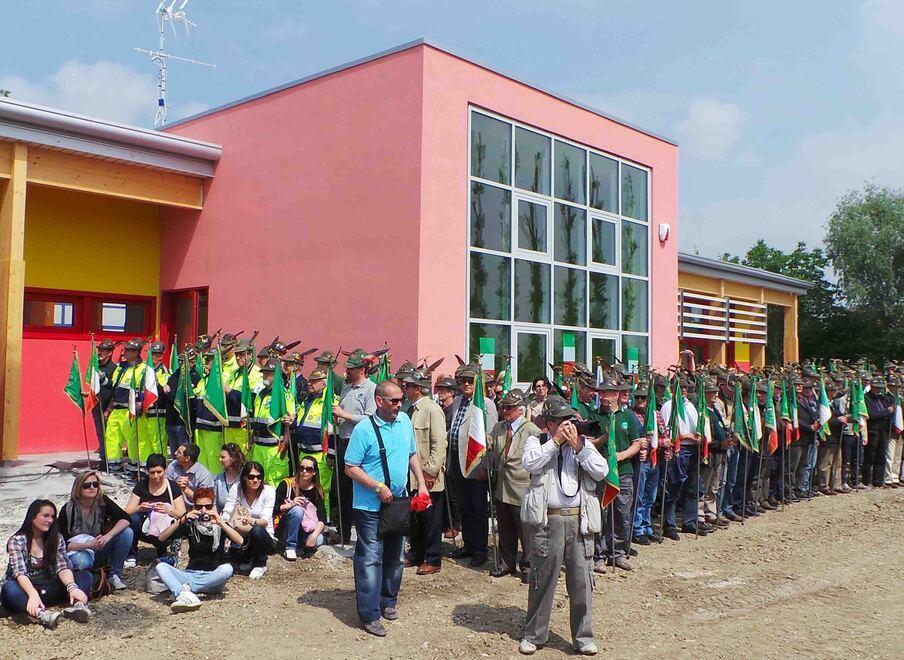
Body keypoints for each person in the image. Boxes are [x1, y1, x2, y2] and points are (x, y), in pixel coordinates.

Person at [519, 396, 607, 656]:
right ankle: (534, 634)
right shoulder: (538, 441)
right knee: (542, 580)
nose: (568, 426)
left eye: (571, 421)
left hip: (579, 521)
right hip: (549, 520)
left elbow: (601, 471)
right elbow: (530, 463)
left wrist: (579, 447)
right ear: (549, 423)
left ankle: (583, 637)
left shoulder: (582, 445)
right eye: (563, 421)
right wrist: (555, 443)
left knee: (582, 581)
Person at [344, 380, 431, 637]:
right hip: (370, 506)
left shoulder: (404, 421)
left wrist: (422, 484)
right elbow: (350, 467)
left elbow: (411, 454)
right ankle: (370, 615)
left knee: (395, 556)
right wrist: (376, 487)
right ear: (379, 401)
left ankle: (388, 600)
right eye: (394, 400)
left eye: (400, 399)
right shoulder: (363, 430)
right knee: (370, 558)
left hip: (399, 502)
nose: (399, 404)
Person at [2, 500, 93, 628]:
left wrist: (72, 587)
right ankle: (41, 614)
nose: (50, 520)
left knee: (84, 576)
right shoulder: (17, 540)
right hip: (27, 589)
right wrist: (32, 594)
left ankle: (78, 606)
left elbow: (63, 566)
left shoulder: (56, 538)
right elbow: (19, 572)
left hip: (50, 585)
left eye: (52, 517)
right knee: (9, 589)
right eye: (45, 516)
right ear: (33, 517)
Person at [155, 487, 241, 613]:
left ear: (213, 506)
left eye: (208, 506)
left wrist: (221, 523)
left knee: (227, 569)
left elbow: (239, 540)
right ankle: (184, 593)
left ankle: (186, 591)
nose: (204, 511)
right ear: (194, 507)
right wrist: (182, 520)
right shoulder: (190, 525)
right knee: (161, 566)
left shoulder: (219, 524)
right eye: (199, 507)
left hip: (213, 577)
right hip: (191, 573)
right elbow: (162, 538)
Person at [447, 363, 498, 567]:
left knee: (478, 509)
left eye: (470, 381)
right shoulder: (457, 401)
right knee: (464, 506)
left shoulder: (486, 404)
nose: (466, 384)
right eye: (463, 381)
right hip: (457, 461)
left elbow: (491, 438)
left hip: (476, 463)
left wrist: (486, 466)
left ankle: (480, 549)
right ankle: (468, 544)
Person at [487, 388, 540, 582]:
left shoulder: (531, 430)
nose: (505, 410)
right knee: (505, 528)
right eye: (504, 407)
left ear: (520, 409)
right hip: (502, 487)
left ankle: (528, 566)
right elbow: (489, 443)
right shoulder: (500, 427)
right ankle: (506, 562)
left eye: (510, 408)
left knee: (525, 530)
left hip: (522, 487)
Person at [403, 368, 448, 575]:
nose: (405, 388)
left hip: (428, 476)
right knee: (416, 518)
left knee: (431, 519)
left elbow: (439, 443)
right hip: (413, 475)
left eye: (409, 386)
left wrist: (430, 471)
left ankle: (433, 558)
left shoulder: (432, 409)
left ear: (419, 389)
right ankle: (416, 554)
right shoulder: (410, 409)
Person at [331, 349, 377, 544]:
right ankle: (342, 531)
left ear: (361, 369)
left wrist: (344, 415)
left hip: (359, 444)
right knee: (341, 488)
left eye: (351, 368)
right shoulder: (346, 388)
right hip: (342, 441)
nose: (347, 371)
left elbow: (370, 418)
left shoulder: (371, 389)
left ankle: (362, 532)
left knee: (357, 489)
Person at [59, 471, 133, 591]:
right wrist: (88, 545)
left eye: (95, 484)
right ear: (78, 488)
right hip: (79, 550)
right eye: (87, 485)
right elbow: (61, 544)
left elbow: (126, 519)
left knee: (127, 533)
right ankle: (89, 577)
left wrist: (107, 536)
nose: (92, 488)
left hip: (99, 546)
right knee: (82, 561)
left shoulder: (102, 502)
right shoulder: (68, 510)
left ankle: (114, 574)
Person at [597, 378, 643, 570]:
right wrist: (603, 438)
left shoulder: (628, 417)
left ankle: (618, 553)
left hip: (623, 473)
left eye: (606, 392)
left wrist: (621, 455)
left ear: (616, 395)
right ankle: (598, 555)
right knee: (600, 515)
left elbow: (637, 443)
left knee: (622, 515)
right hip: (601, 474)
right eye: (600, 393)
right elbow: (588, 442)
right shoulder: (596, 416)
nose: (602, 396)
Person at [289, 367, 338, 517]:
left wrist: (331, 454)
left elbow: (334, 431)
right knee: (304, 487)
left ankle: (325, 520)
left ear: (324, 384)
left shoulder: (331, 401)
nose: (310, 384)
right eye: (310, 381)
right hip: (304, 452)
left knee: (322, 489)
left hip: (320, 454)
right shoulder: (306, 400)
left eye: (314, 381)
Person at [124, 453, 186, 566]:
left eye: (159, 472)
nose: (156, 476)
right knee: (132, 519)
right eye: (152, 473)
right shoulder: (141, 486)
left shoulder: (172, 487)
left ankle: (165, 552)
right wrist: (139, 508)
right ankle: (131, 554)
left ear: (165, 470)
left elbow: (182, 514)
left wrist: (169, 511)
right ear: (147, 471)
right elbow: (126, 511)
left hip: (166, 529)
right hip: (145, 527)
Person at [659, 380, 700, 537]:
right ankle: (669, 525)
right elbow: (666, 430)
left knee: (692, 487)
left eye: (685, 387)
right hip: (679, 448)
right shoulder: (669, 405)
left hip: (693, 447)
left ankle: (689, 521)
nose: (683, 390)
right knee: (674, 485)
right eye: (680, 387)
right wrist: (685, 436)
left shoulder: (690, 405)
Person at [223, 461, 276, 580]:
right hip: (241, 535)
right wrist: (224, 522)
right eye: (251, 477)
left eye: (259, 477)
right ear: (244, 478)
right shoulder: (236, 489)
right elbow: (227, 510)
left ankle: (260, 564)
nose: (255, 480)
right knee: (222, 525)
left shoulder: (269, 491)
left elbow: (265, 520)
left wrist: (251, 521)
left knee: (256, 530)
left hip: (263, 535)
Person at [250, 359, 296, 486]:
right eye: (264, 373)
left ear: (276, 375)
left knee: (273, 481)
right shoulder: (260, 394)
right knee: (257, 480)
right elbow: (256, 419)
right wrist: (251, 439)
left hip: (274, 447)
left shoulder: (284, 395)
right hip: (258, 446)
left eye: (269, 373)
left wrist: (285, 443)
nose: (265, 376)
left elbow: (289, 421)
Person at [103, 338, 146, 472]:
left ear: (135, 352)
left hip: (130, 410)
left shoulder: (143, 369)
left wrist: (139, 406)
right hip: (116, 408)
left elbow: (144, 390)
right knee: (111, 436)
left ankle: (134, 466)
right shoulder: (121, 367)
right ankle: (113, 464)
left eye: (127, 350)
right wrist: (102, 380)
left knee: (132, 439)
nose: (124, 352)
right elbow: (114, 388)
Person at [274, 456, 327, 560]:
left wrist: (314, 536)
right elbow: (274, 508)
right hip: (285, 529)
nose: (304, 471)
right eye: (301, 468)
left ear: (314, 472)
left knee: (319, 539)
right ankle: (290, 546)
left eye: (309, 469)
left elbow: (322, 518)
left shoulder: (317, 490)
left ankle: (301, 546)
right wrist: (290, 505)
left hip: (305, 530)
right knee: (297, 510)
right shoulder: (286, 485)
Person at [433, 374, 461, 539]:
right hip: (442, 453)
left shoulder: (453, 411)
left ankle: (455, 524)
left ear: (451, 392)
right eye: (440, 389)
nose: (440, 393)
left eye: (444, 390)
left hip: (451, 453)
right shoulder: (441, 409)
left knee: (453, 493)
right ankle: (446, 522)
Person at [136, 341, 172, 467]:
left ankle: (159, 468)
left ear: (162, 356)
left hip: (157, 412)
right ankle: (144, 467)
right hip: (143, 412)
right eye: (152, 355)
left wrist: (158, 383)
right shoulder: (144, 370)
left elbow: (164, 389)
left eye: (157, 355)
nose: (155, 358)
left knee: (157, 442)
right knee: (144, 441)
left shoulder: (163, 371)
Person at [92, 339, 117, 470]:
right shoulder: (95, 366)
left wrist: (109, 409)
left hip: (108, 406)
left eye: (103, 350)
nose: (100, 352)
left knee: (109, 434)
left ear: (110, 353)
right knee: (100, 434)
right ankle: (103, 459)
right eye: (99, 350)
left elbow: (115, 391)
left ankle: (110, 461)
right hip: (96, 405)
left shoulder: (114, 368)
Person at [214, 443, 245, 512]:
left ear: (233, 458)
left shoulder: (245, 476)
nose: (220, 460)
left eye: (223, 457)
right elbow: (215, 505)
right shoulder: (219, 479)